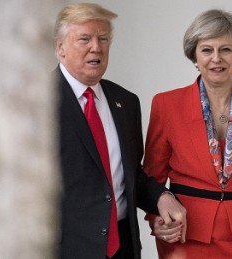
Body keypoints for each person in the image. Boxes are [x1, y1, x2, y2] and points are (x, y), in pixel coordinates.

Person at [143, 9, 232, 259]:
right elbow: (151, 179)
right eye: (207, 50)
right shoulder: (166, 105)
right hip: (185, 237)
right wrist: (157, 219)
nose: (216, 58)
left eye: (226, 49)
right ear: (194, 56)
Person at [53, 3, 186, 259]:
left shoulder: (125, 101)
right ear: (60, 48)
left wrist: (161, 197)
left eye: (103, 38)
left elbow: (131, 174)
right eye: (85, 39)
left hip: (122, 248)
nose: (96, 47)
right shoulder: (40, 102)